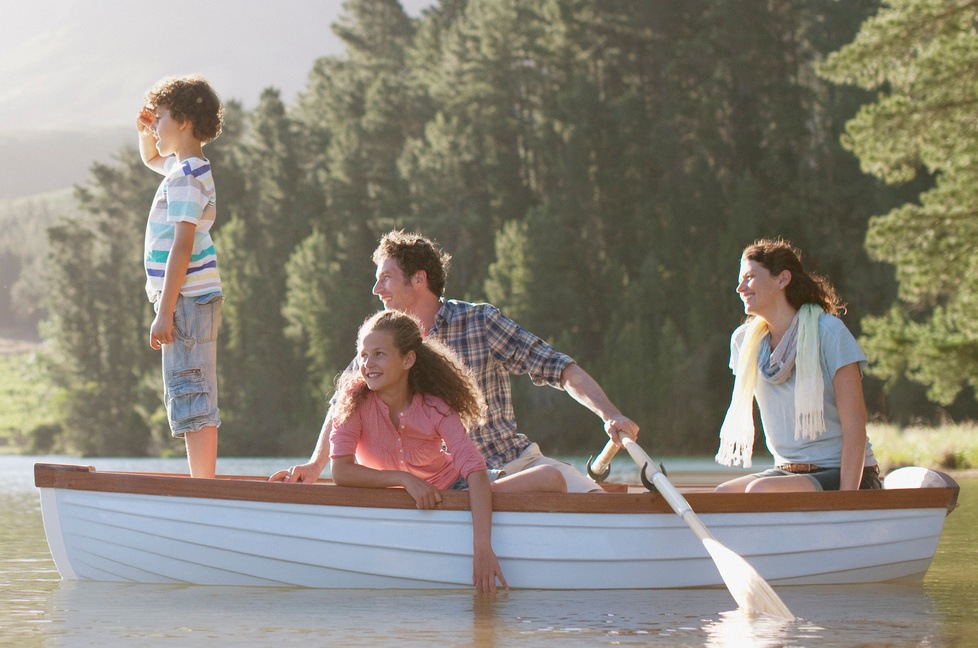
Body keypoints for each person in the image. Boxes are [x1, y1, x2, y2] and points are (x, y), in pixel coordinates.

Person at [272, 230, 639, 492]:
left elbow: (558, 368)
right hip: (440, 484)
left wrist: (610, 414)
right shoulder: (380, 343)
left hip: (513, 466)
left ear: (419, 279)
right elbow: (343, 406)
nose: (376, 289)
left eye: (386, 278)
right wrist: (314, 466)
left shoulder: (479, 322)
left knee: (584, 495)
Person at [328, 310, 565, 592]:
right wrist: (404, 480)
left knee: (552, 477)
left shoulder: (434, 406)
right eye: (363, 354)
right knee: (486, 495)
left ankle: (472, 505)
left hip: (455, 487)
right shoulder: (354, 401)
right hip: (402, 495)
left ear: (408, 359)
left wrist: (482, 547)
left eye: (379, 354)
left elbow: (474, 471)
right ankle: (474, 505)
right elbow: (341, 470)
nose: (367, 364)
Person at [714, 238, 881, 493]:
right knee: (723, 495)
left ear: (782, 279)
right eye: (740, 279)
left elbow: (856, 426)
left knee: (759, 490)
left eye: (749, 277)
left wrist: (848, 502)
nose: (740, 288)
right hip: (786, 472)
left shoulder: (829, 333)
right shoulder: (742, 341)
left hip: (844, 474)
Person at [137, 75, 225, 478]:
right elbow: (152, 159)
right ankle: (201, 483)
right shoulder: (183, 169)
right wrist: (144, 132)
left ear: (185, 120)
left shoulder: (187, 177)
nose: (155, 125)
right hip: (186, 298)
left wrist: (165, 310)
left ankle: (202, 485)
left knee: (191, 387)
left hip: (186, 299)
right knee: (189, 384)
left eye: (161, 118)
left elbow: (182, 247)